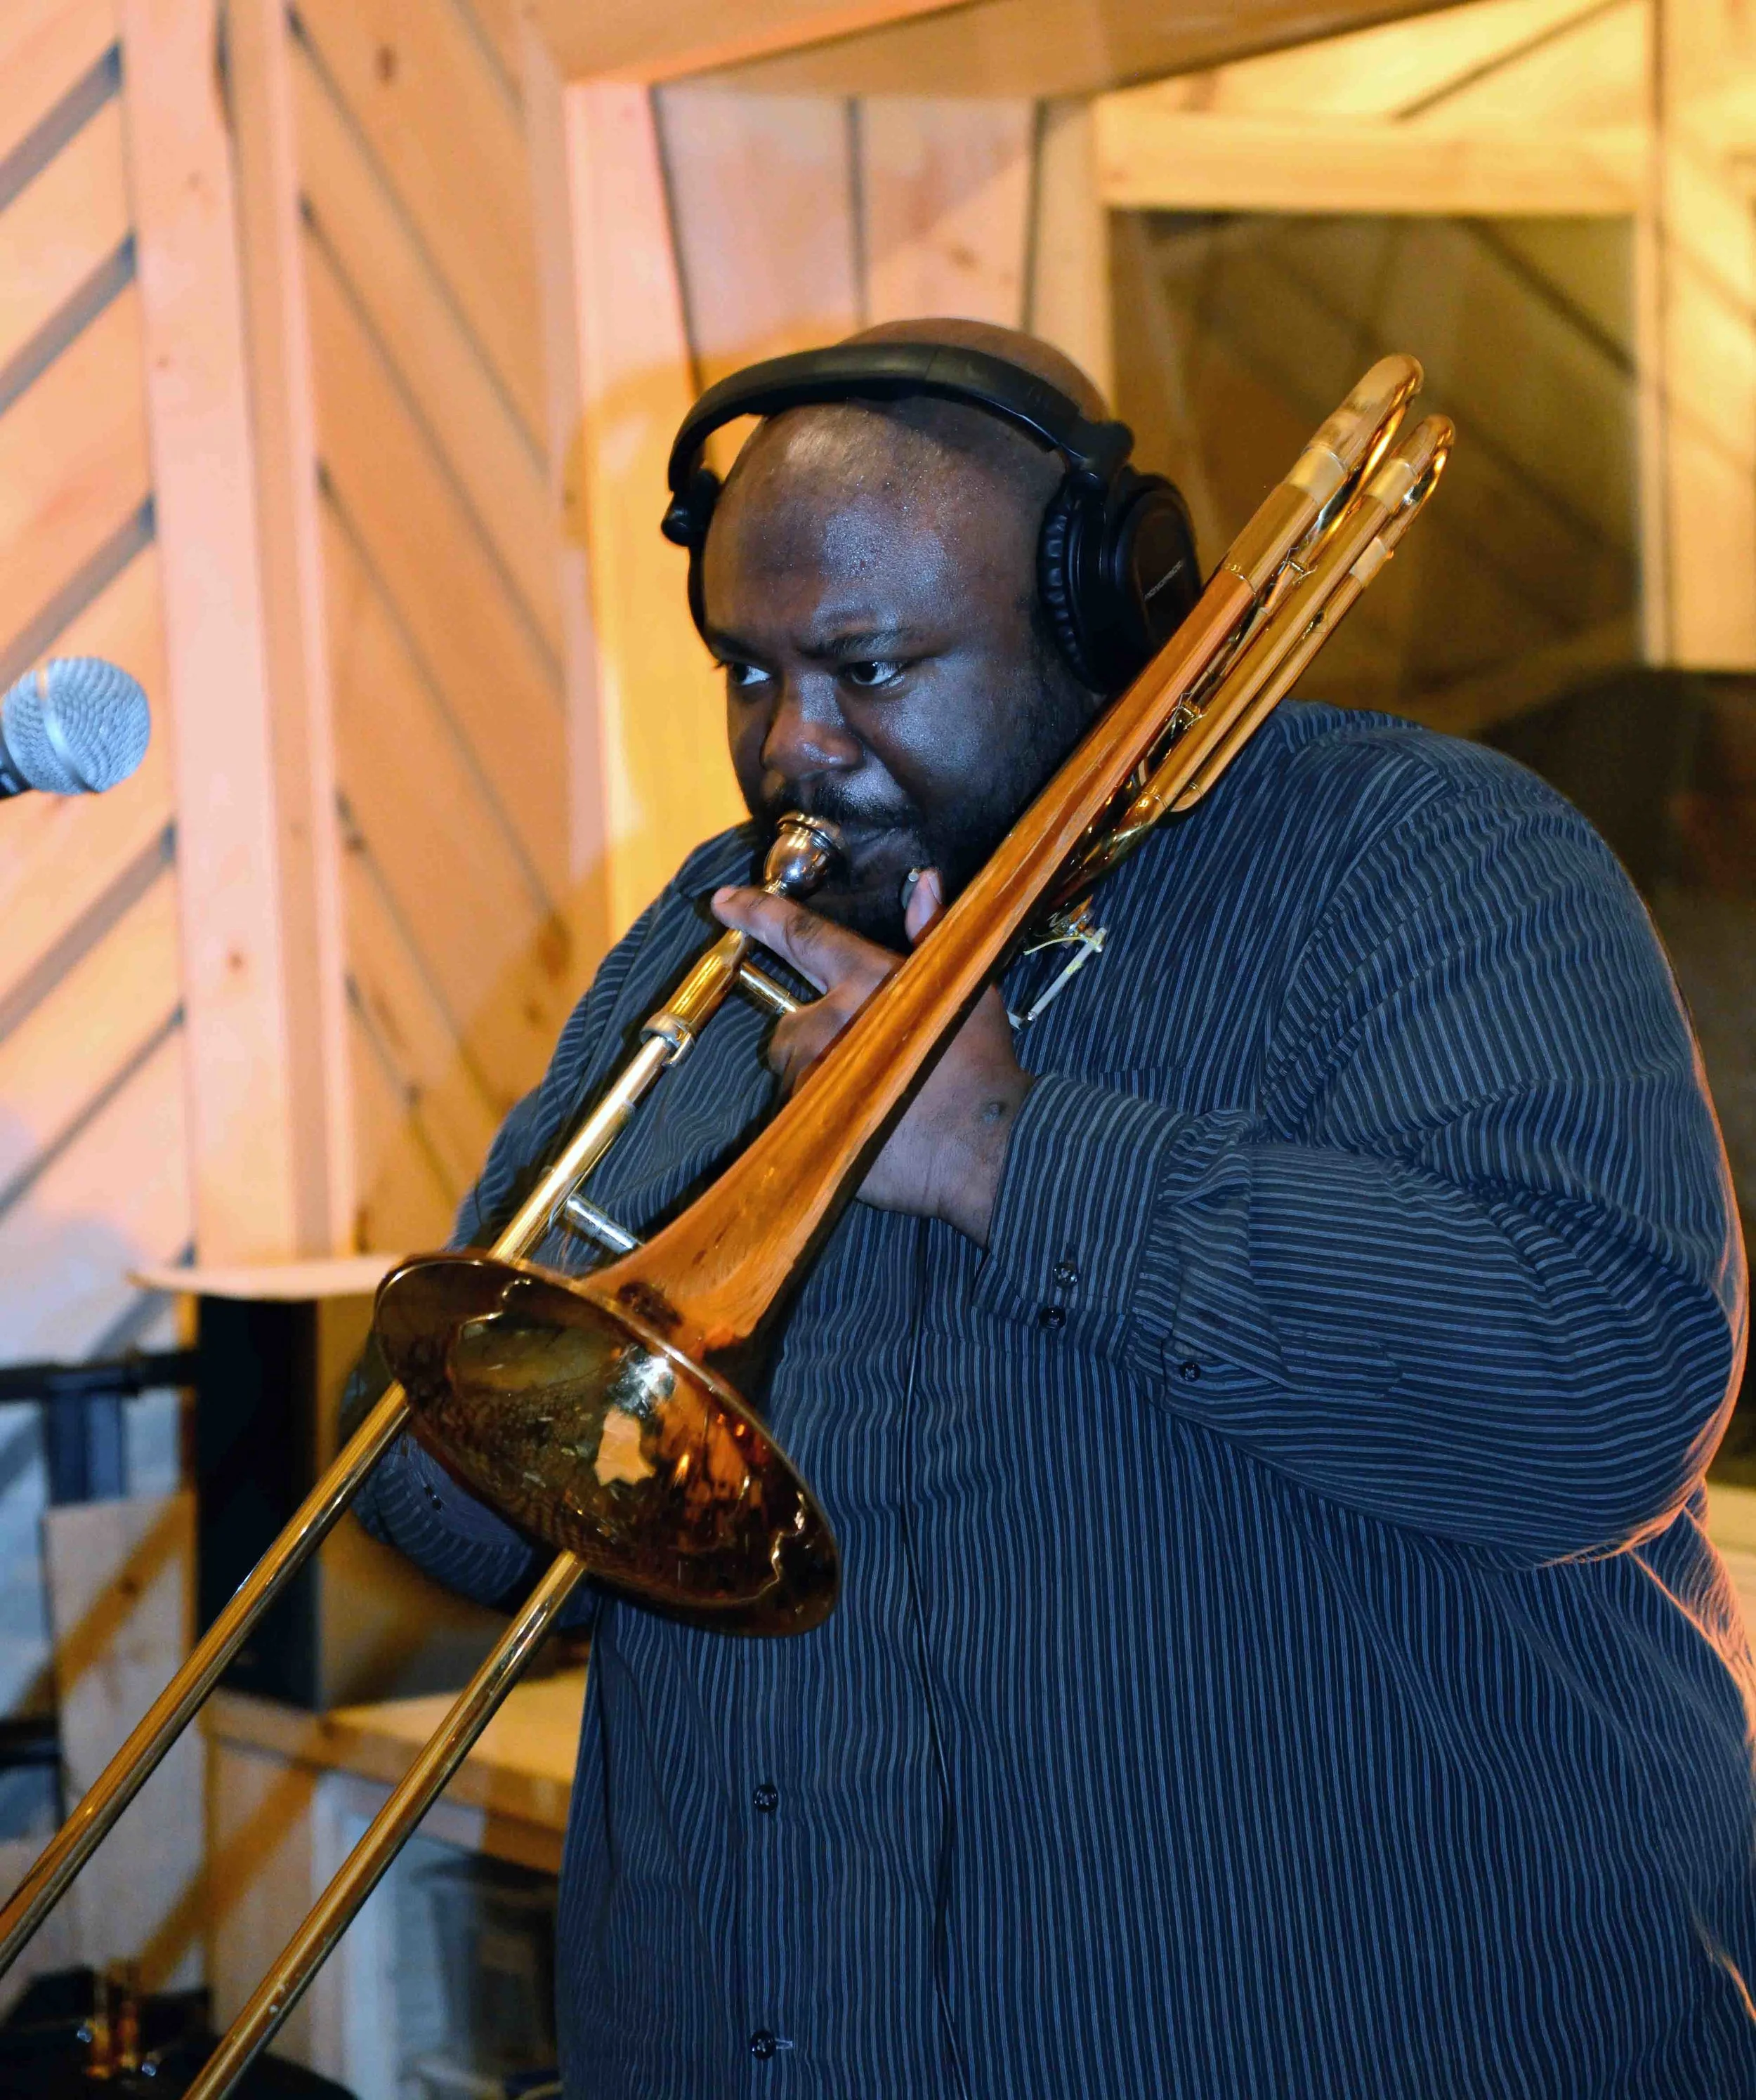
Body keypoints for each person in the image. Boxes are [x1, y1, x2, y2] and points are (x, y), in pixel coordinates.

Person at [352, 320, 1756, 2096]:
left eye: (868, 667)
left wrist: (1015, 1157)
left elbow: (1602, 1397)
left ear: (1104, 616)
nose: (796, 748)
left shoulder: (1417, 863)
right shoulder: (710, 954)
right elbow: (437, 1503)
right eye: (748, 674)